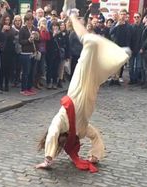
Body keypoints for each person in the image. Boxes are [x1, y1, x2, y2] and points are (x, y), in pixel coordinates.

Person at [36, 15, 129, 172]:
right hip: (90, 95)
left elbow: (52, 133)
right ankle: (118, 56)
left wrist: (48, 159)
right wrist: (95, 156)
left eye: (62, 141)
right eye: (66, 143)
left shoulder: (61, 121)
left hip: (76, 92)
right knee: (99, 72)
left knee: (87, 54)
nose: (65, 140)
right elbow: (96, 136)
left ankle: (73, 16)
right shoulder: (81, 130)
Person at [19, 14, 39, 96]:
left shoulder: (35, 28)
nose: (30, 22)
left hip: (33, 52)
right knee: (26, 71)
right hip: (25, 53)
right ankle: (23, 89)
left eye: (31, 20)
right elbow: (20, 41)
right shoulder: (23, 29)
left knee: (32, 71)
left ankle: (29, 87)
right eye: (28, 20)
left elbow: (39, 40)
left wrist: (37, 37)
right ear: (25, 21)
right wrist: (28, 40)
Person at [0, 13, 17, 91]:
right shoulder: (0, 27)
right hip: (3, 50)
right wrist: (2, 31)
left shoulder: (12, 29)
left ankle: (6, 84)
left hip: (10, 50)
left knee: (8, 68)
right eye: (5, 20)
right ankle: (0, 84)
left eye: (8, 20)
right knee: (2, 68)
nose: (7, 21)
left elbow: (15, 35)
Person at [128, 12, 143, 85]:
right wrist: (129, 48)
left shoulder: (143, 27)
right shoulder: (130, 27)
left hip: (139, 50)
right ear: (133, 18)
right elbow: (128, 38)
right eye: (135, 17)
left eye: (138, 17)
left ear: (140, 18)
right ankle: (131, 79)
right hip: (131, 49)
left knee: (138, 66)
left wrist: (142, 48)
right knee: (130, 66)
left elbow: (144, 39)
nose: (136, 18)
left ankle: (136, 79)